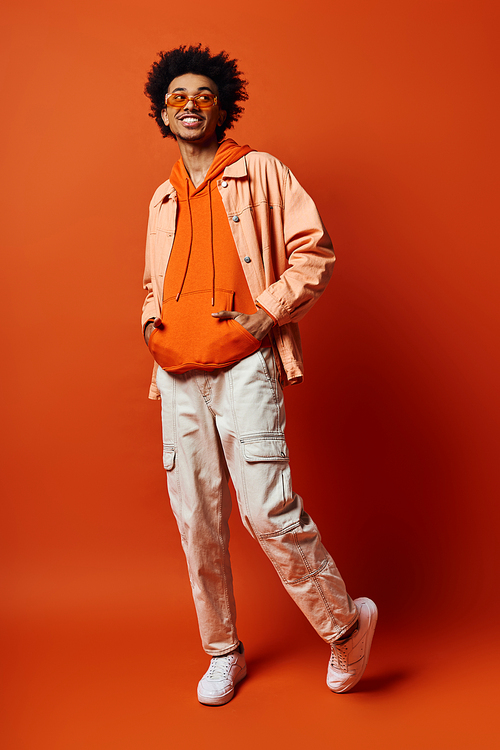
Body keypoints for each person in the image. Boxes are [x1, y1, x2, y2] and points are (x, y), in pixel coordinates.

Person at [142, 44, 377, 706]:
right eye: (179, 97)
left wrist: (264, 316)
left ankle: (346, 628)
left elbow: (314, 253)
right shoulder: (162, 197)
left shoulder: (263, 172)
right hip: (177, 375)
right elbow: (150, 284)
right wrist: (147, 328)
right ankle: (223, 652)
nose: (191, 105)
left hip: (243, 366)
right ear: (163, 111)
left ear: (222, 106)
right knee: (196, 518)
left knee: (267, 511)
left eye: (204, 95)